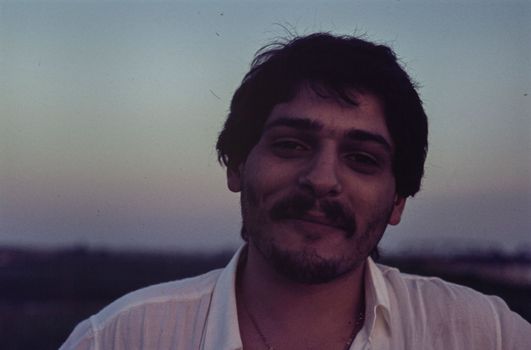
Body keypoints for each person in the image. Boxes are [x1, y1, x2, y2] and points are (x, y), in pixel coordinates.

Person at [60, 33, 530, 350]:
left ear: (398, 201)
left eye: (362, 158)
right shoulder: (120, 338)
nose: (322, 179)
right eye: (290, 144)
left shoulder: (485, 333)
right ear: (238, 166)